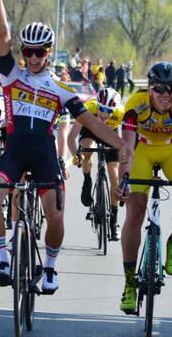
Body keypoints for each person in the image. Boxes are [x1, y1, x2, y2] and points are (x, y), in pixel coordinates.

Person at [0, 0, 131, 294]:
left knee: (56, 215)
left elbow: (92, 123)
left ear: (49, 52)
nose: (33, 57)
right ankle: (2, 260)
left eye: (39, 52)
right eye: (28, 51)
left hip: (45, 156)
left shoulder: (62, 88)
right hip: (14, 151)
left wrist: (121, 144)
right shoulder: (11, 77)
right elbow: (2, 34)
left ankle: (49, 268)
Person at [118, 61, 172, 314]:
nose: (166, 94)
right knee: (135, 212)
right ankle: (130, 283)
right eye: (159, 89)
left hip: (171, 150)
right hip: (140, 150)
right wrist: (122, 180)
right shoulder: (136, 103)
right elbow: (127, 147)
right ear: (150, 89)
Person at [68, 87, 124, 240]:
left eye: (109, 110)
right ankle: (87, 180)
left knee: (115, 177)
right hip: (90, 131)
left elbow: (129, 143)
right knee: (87, 151)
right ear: (97, 104)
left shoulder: (120, 114)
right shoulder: (88, 108)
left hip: (110, 134)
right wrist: (75, 155)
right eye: (102, 109)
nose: (105, 113)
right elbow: (71, 137)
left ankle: (113, 221)